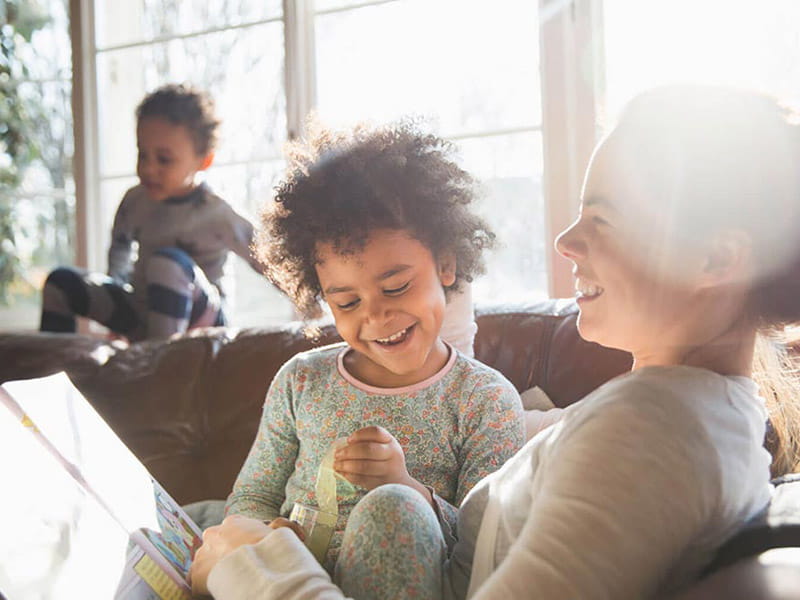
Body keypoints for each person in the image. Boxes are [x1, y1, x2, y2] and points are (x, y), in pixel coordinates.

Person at [190, 85, 800, 599]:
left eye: (604, 219)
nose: (565, 240)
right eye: (346, 300)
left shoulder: (654, 433)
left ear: (717, 257)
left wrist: (252, 572)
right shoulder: (684, 414)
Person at [212, 118, 525, 585]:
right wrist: (266, 534)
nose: (376, 317)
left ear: (445, 264)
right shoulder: (301, 381)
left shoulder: (485, 401)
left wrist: (406, 487)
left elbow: (490, 545)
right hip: (296, 583)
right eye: (347, 302)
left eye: (396, 287)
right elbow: (251, 498)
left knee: (393, 508)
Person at [39, 83, 263, 341]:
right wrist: (117, 308)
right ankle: (52, 370)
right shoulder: (135, 201)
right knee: (61, 282)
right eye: (142, 154)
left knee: (166, 263)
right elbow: (119, 256)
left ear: (204, 160)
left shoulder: (218, 212)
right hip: (143, 314)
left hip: (203, 327)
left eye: (164, 159)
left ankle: (158, 366)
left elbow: (270, 262)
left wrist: (309, 306)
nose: (148, 168)